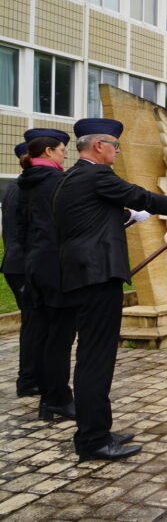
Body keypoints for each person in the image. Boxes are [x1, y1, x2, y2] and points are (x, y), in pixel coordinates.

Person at [52, 118, 167, 461]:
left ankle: (97, 428)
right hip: (97, 278)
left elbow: (88, 221)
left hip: (83, 275)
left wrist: (125, 217)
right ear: (99, 146)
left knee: (92, 356)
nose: (117, 151)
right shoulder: (96, 175)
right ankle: (92, 440)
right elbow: (141, 195)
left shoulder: (71, 178)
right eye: (115, 145)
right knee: (95, 360)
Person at [16, 130, 78, 423]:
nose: (66, 154)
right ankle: (57, 399)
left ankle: (47, 397)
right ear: (50, 151)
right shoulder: (57, 181)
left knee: (42, 334)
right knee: (60, 337)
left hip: (35, 265)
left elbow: (22, 230)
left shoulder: (24, 182)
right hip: (57, 267)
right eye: (63, 150)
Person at [2, 142, 39, 397]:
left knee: (32, 323)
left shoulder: (15, 186)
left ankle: (29, 379)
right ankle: (28, 381)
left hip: (16, 263)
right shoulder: (25, 187)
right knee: (34, 324)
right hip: (26, 265)